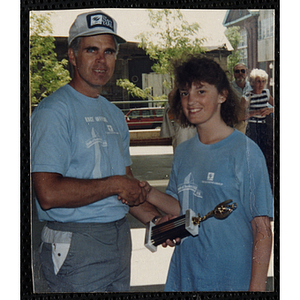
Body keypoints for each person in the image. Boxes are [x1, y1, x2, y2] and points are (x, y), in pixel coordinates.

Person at [31, 10, 162, 293]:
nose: (102, 60)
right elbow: (48, 193)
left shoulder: (114, 115)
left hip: (118, 236)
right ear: (73, 56)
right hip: (76, 243)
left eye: (109, 51)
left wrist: (159, 223)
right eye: (92, 50)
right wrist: (116, 184)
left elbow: (126, 189)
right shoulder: (53, 111)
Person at [143, 56, 273, 291]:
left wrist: (256, 289)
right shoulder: (183, 152)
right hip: (186, 275)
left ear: (223, 95)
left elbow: (262, 229)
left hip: (232, 278)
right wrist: (146, 192)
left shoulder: (245, 151)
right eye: (184, 93)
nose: (191, 100)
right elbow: (181, 207)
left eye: (201, 91)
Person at [243, 68, 274, 159]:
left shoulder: (266, 93)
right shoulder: (248, 95)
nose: (261, 84)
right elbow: (243, 115)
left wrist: (270, 110)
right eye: (258, 81)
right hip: (252, 126)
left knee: (264, 149)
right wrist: (256, 112)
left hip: (264, 126)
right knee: (253, 150)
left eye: (263, 81)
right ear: (252, 82)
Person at [231, 63, 252, 134]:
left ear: (247, 73)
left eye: (243, 71)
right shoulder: (229, 88)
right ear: (234, 74)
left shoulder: (253, 87)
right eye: (237, 71)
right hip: (235, 125)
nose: (240, 73)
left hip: (252, 124)